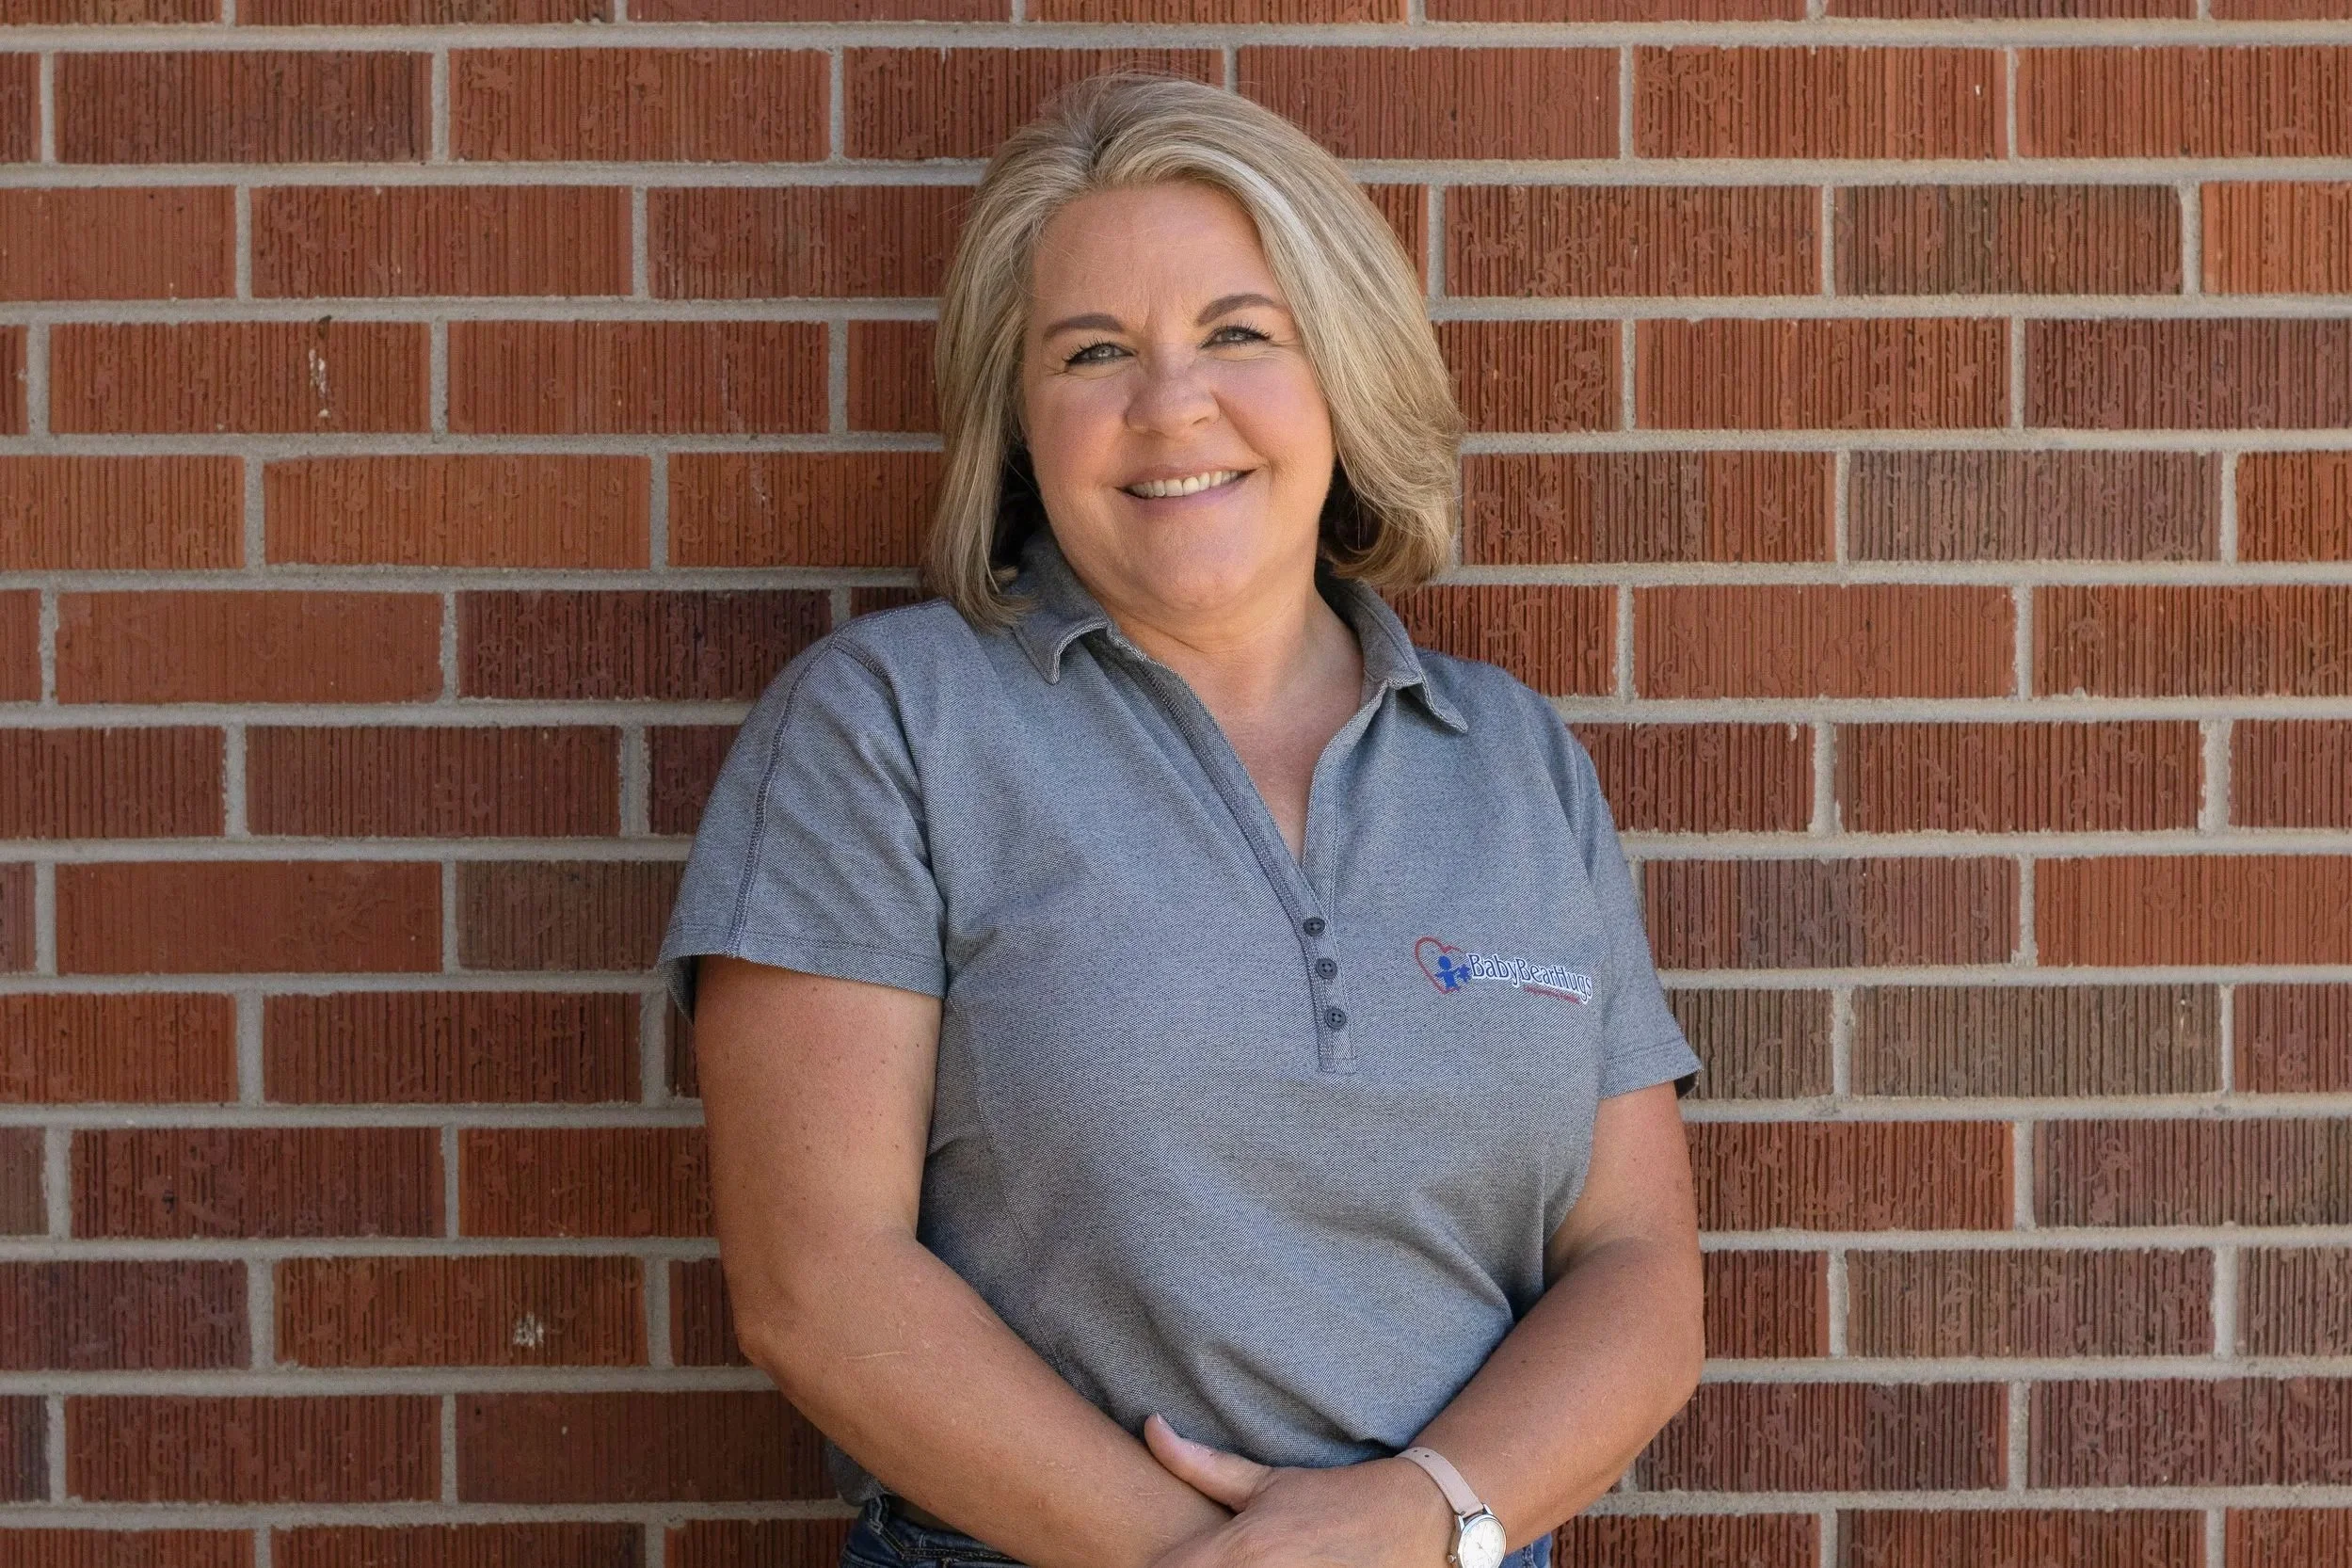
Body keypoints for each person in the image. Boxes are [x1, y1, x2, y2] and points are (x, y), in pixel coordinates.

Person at [658, 72, 1704, 1568]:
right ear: (1019, 422)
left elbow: (1637, 1263)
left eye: (1237, 333)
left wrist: (1423, 1516)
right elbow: (818, 1284)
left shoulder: (1511, 759)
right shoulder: (888, 725)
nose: (1171, 406)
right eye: (1092, 352)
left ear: (1341, 369)